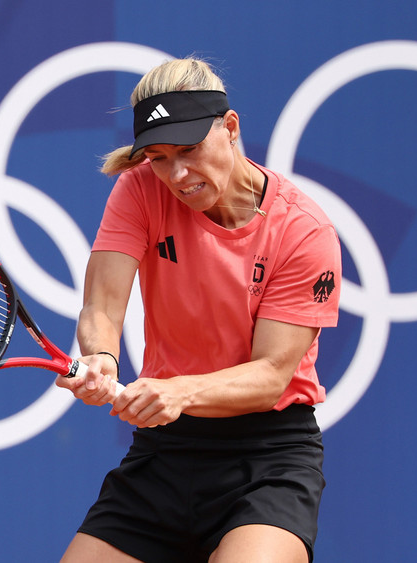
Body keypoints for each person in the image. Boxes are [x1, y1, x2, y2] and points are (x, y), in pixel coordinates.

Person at [56, 57, 342, 563]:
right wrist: (102, 358)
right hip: (165, 452)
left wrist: (180, 389)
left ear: (230, 128)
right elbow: (102, 303)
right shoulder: (140, 188)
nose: (178, 173)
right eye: (160, 157)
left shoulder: (303, 232)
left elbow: (273, 374)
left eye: (189, 149)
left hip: (267, 457)